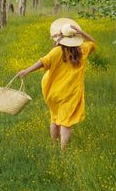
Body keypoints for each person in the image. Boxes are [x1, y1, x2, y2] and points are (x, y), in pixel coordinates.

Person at [18, 18, 96, 150]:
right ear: (74, 38)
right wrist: (81, 32)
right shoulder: (82, 50)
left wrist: (26, 71)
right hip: (70, 94)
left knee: (55, 119)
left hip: (53, 93)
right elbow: (93, 42)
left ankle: (54, 146)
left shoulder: (56, 52)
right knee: (66, 122)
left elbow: (43, 62)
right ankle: (63, 151)